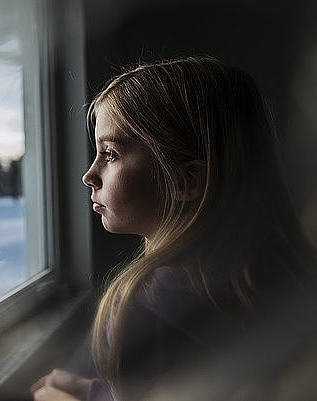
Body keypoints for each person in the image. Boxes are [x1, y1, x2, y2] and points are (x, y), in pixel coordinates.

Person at [30, 56, 317, 401]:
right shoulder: (269, 278)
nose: (88, 176)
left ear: (187, 180)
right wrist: (97, 392)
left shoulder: (153, 303)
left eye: (110, 154)